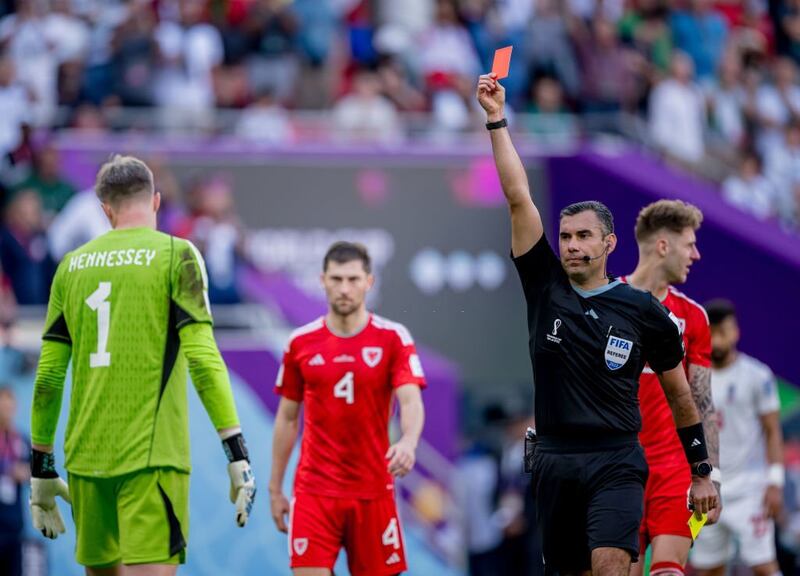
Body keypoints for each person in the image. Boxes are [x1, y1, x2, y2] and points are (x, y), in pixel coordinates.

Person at [476, 73, 719, 576]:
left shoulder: (644, 311)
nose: (571, 245)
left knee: (613, 565)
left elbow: (681, 395)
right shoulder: (544, 287)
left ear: (609, 244)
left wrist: (702, 472)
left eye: (584, 236)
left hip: (616, 461)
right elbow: (519, 197)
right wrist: (496, 119)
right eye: (565, 236)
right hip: (555, 463)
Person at [29, 155, 256, 575]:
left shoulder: (70, 267)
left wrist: (41, 466)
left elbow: (48, 378)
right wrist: (237, 452)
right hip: (151, 462)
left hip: (86, 462)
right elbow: (204, 362)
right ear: (155, 201)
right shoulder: (177, 256)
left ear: (104, 209)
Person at [269, 241, 426, 576]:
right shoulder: (300, 342)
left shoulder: (393, 338)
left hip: (372, 491)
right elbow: (286, 417)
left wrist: (408, 443)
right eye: (336, 279)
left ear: (369, 282)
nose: (344, 288)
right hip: (314, 492)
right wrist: (275, 488)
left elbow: (410, 399)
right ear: (322, 280)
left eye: (353, 279)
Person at [623, 200, 721, 576]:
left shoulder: (694, 317)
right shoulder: (605, 304)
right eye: (689, 244)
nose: (695, 255)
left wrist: (711, 477)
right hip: (617, 468)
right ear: (663, 246)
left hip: (678, 471)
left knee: (669, 570)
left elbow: (703, 402)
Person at [691, 300, 784, 576]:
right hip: (707, 489)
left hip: (750, 489)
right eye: (713, 332)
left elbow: (772, 430)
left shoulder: (757, 376)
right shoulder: (694, 377)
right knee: (707, 568)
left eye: (725, 331)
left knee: (764, 565)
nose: (719, 338)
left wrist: (775, 481)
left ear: (736, 333)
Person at [0, 386, 30, 576]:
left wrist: (25, 473)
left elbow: (36, 473)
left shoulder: (21, 440)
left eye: (11, 405)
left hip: (14, 525)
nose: (7, 409)